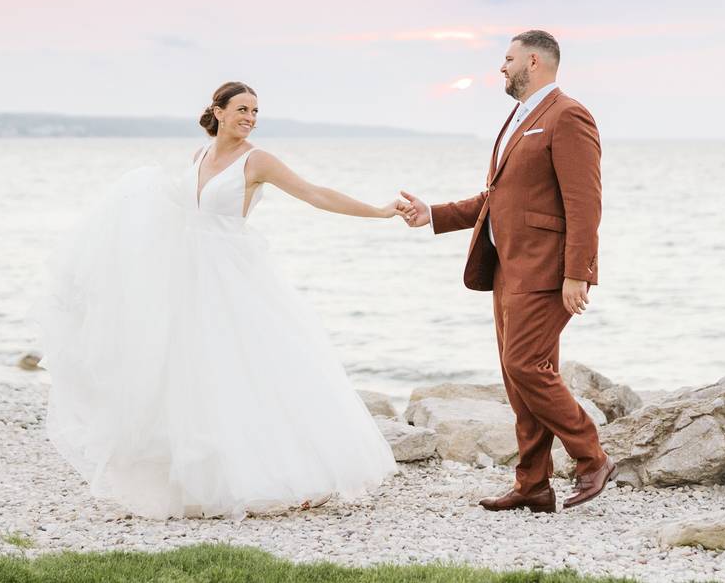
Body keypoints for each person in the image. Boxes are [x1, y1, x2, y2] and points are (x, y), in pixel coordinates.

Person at [32, 81, 402, 519]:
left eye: (256, 111)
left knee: (249, 369)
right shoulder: (199, 156)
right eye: (242, 109)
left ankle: (281, 472)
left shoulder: (258, 159)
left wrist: (380, 211)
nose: (250, 117)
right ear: (219, 111)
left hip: (234, 278)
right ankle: (198, 478)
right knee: (193, 374)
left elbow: (315, 193)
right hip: (187, 279)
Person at [400, 29, 615, 513]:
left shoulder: (568, 114)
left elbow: (586, 203)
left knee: (525, 366)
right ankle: (533, 484)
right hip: (507, 268)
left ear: (534, 61)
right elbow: (496, 199)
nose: (501, 67)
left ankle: (592, 458)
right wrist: (431, 214)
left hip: (545, 269)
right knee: (518, 378)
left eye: (508, 58)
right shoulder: (518, 120)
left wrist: (578, 272)